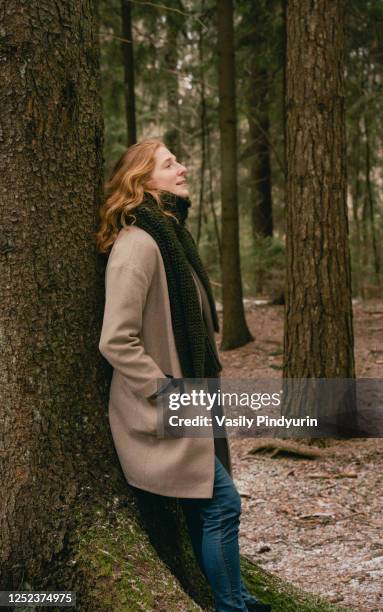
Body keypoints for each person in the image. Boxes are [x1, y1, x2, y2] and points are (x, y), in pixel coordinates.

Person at [96, 138, 271, 612]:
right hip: (158, 409)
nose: (183, 168)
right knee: (221, 504)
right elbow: (116, 340)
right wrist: (168, 393)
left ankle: (237, 598)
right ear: (141, 180)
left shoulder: (171, 237)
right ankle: (231, 606)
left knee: (205, 508)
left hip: (189, 402)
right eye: (170, 163)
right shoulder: (138, 245)